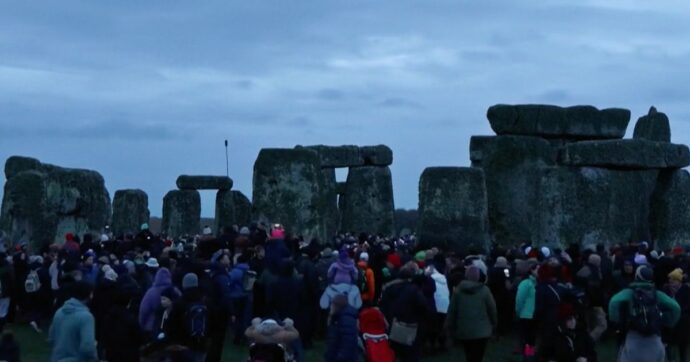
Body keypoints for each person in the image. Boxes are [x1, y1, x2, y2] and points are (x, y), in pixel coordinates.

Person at [609, 265, 681, 362]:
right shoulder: (657, 294)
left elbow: (613, 302)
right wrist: (668, 322)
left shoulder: (629, 292)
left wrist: (616, 319)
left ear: (637, 276)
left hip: (633, 337)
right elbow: (676, 307)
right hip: (654, 338)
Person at [379, 262, 433, 362]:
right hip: (410, 326)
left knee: (395, 353)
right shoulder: (413, 289)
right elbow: (423, 306)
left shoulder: (389, 288)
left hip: (393, 325)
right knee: (411, 355)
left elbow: (383, 305)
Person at [446, 265, 497, 362]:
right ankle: (529, 355)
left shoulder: (458, 291)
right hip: (482, 330)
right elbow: (492, 309)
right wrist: (494, 324)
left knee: (469, 354)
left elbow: (452, 311)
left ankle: (529, 353)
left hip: (464, 329)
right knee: (478, 356)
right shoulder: (484, 290)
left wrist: (449, 329)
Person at [48, 281, 98, 362]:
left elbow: (51, 338)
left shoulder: (59, 312)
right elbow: (88, 347)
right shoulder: (86, 317)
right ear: (90, 294)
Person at [165, 273, 209, 362]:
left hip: (182, 345)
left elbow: (171, 325)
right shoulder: (204, 301)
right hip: (201, 343)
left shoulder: (179, 303)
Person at [575, 253, 608, 341]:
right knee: (602, 325)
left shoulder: (582, 270)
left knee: (588, 325)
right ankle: (589, 340)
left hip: (583, 302)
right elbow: (596, 290)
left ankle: (586, 342)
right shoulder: (596, 273)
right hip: (594, 303)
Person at [663, 268, 690, 362]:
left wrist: (678, 311)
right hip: (669, 324)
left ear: (679, 281)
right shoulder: (666, 289)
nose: (671, 281)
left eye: (673, 279)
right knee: (670, 347)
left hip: (682, 324)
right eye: (670, 279)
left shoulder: (686, 289)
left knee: (683, 348)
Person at [139, 268, 175, 339]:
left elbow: (144, 310)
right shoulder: (174, 291)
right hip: (171, 328)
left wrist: (142, 325)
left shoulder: (150, 292)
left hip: (151, 327)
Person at [324, 294, 359, 362]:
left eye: (332, 305)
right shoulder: (337, 317)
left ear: (336, 306)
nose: (330, 307)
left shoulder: (346, 320)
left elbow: (348, 342)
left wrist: (340, 357)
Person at [515, 263, 538, 359]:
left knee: (531, 340)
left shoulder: (537, 283)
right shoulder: (526, 283)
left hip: (534, 315)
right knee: (527, 340)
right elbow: (519, 299)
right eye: (537, 269)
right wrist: (519, 312)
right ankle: (527, 357)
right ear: (531, 270)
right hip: (525, 315)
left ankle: (529, 356)